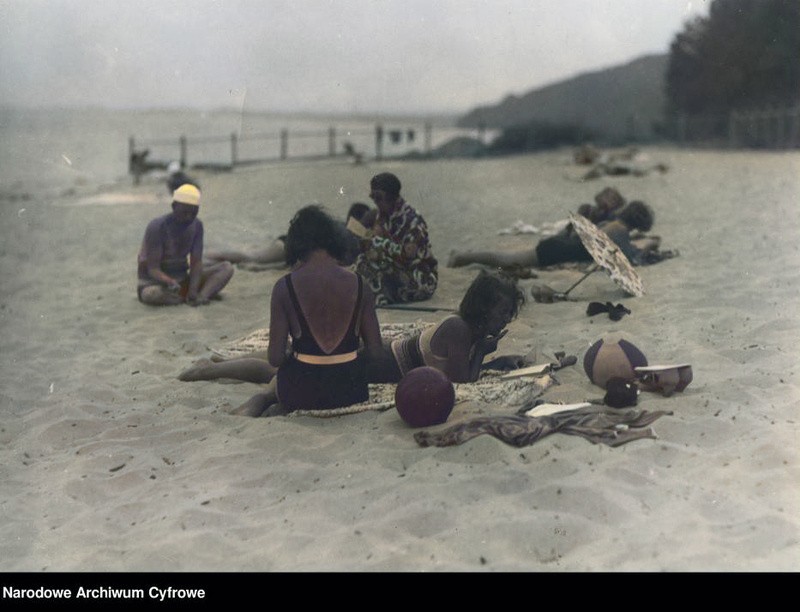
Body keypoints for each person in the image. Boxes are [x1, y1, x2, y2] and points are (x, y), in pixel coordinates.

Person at [180, 271, 527, 388]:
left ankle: (216, 365)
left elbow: (458, 369)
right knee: (278, 368)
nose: (505, 320)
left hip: (378, 357)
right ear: (482, 307)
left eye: (508, 314)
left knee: (289, 359)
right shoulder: (460, 330)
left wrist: (494, 360)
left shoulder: (466, 331)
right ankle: (206, 372)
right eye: (502, 312)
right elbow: (460, 382)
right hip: (372, 364)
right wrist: (484, 353)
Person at [230, 205, 383, 417]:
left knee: (287, 377)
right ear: (332, 239)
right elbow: (376, 353)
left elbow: (275, 358)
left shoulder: (285, 287)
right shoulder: (360, 284)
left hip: (301, 391)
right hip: (350, 391)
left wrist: (294, 351)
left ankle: (261, 401)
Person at [448, 200, 660, 270]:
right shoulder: (621, 233)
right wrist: (649, 244)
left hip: (560, 245)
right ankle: (462, 257)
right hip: (557, 251)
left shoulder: (613, 224)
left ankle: (465, 255)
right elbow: (631, 257)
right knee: (508, 259)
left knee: (509, 258)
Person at [137, 183, 234, 306]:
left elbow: (196, 262)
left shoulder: (197, 226)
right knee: (152, 294)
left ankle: (201, 296)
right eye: (184, 213)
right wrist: (170, 281)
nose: (188, 218)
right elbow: (153, 269)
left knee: (226, 268)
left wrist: (193, 290)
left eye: (193, 213)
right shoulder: (157, 227)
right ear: (174, 206)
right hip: (155, 283)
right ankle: (184, 297)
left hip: (183, 280)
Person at [204, 202, 375, 269]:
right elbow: (299, 261)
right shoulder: (344, 238)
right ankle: (206, 257)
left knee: (250, 255)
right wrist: (262, 268)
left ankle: (207, 258)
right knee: (250, 256)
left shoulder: (340, 231)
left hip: (288, 243)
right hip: (288, 245)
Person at [355, 172, 438, 305]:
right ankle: (378, 298)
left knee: (371, 263)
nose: (375, 202)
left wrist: (379, 241)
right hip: (398, 270)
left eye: (379, 197)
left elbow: (408, 255)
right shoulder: (383, 215)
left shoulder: (412, 220)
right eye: (373, 197)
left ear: (391, 197)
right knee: (363, 261)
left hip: (419, 277)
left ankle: (381, 299)